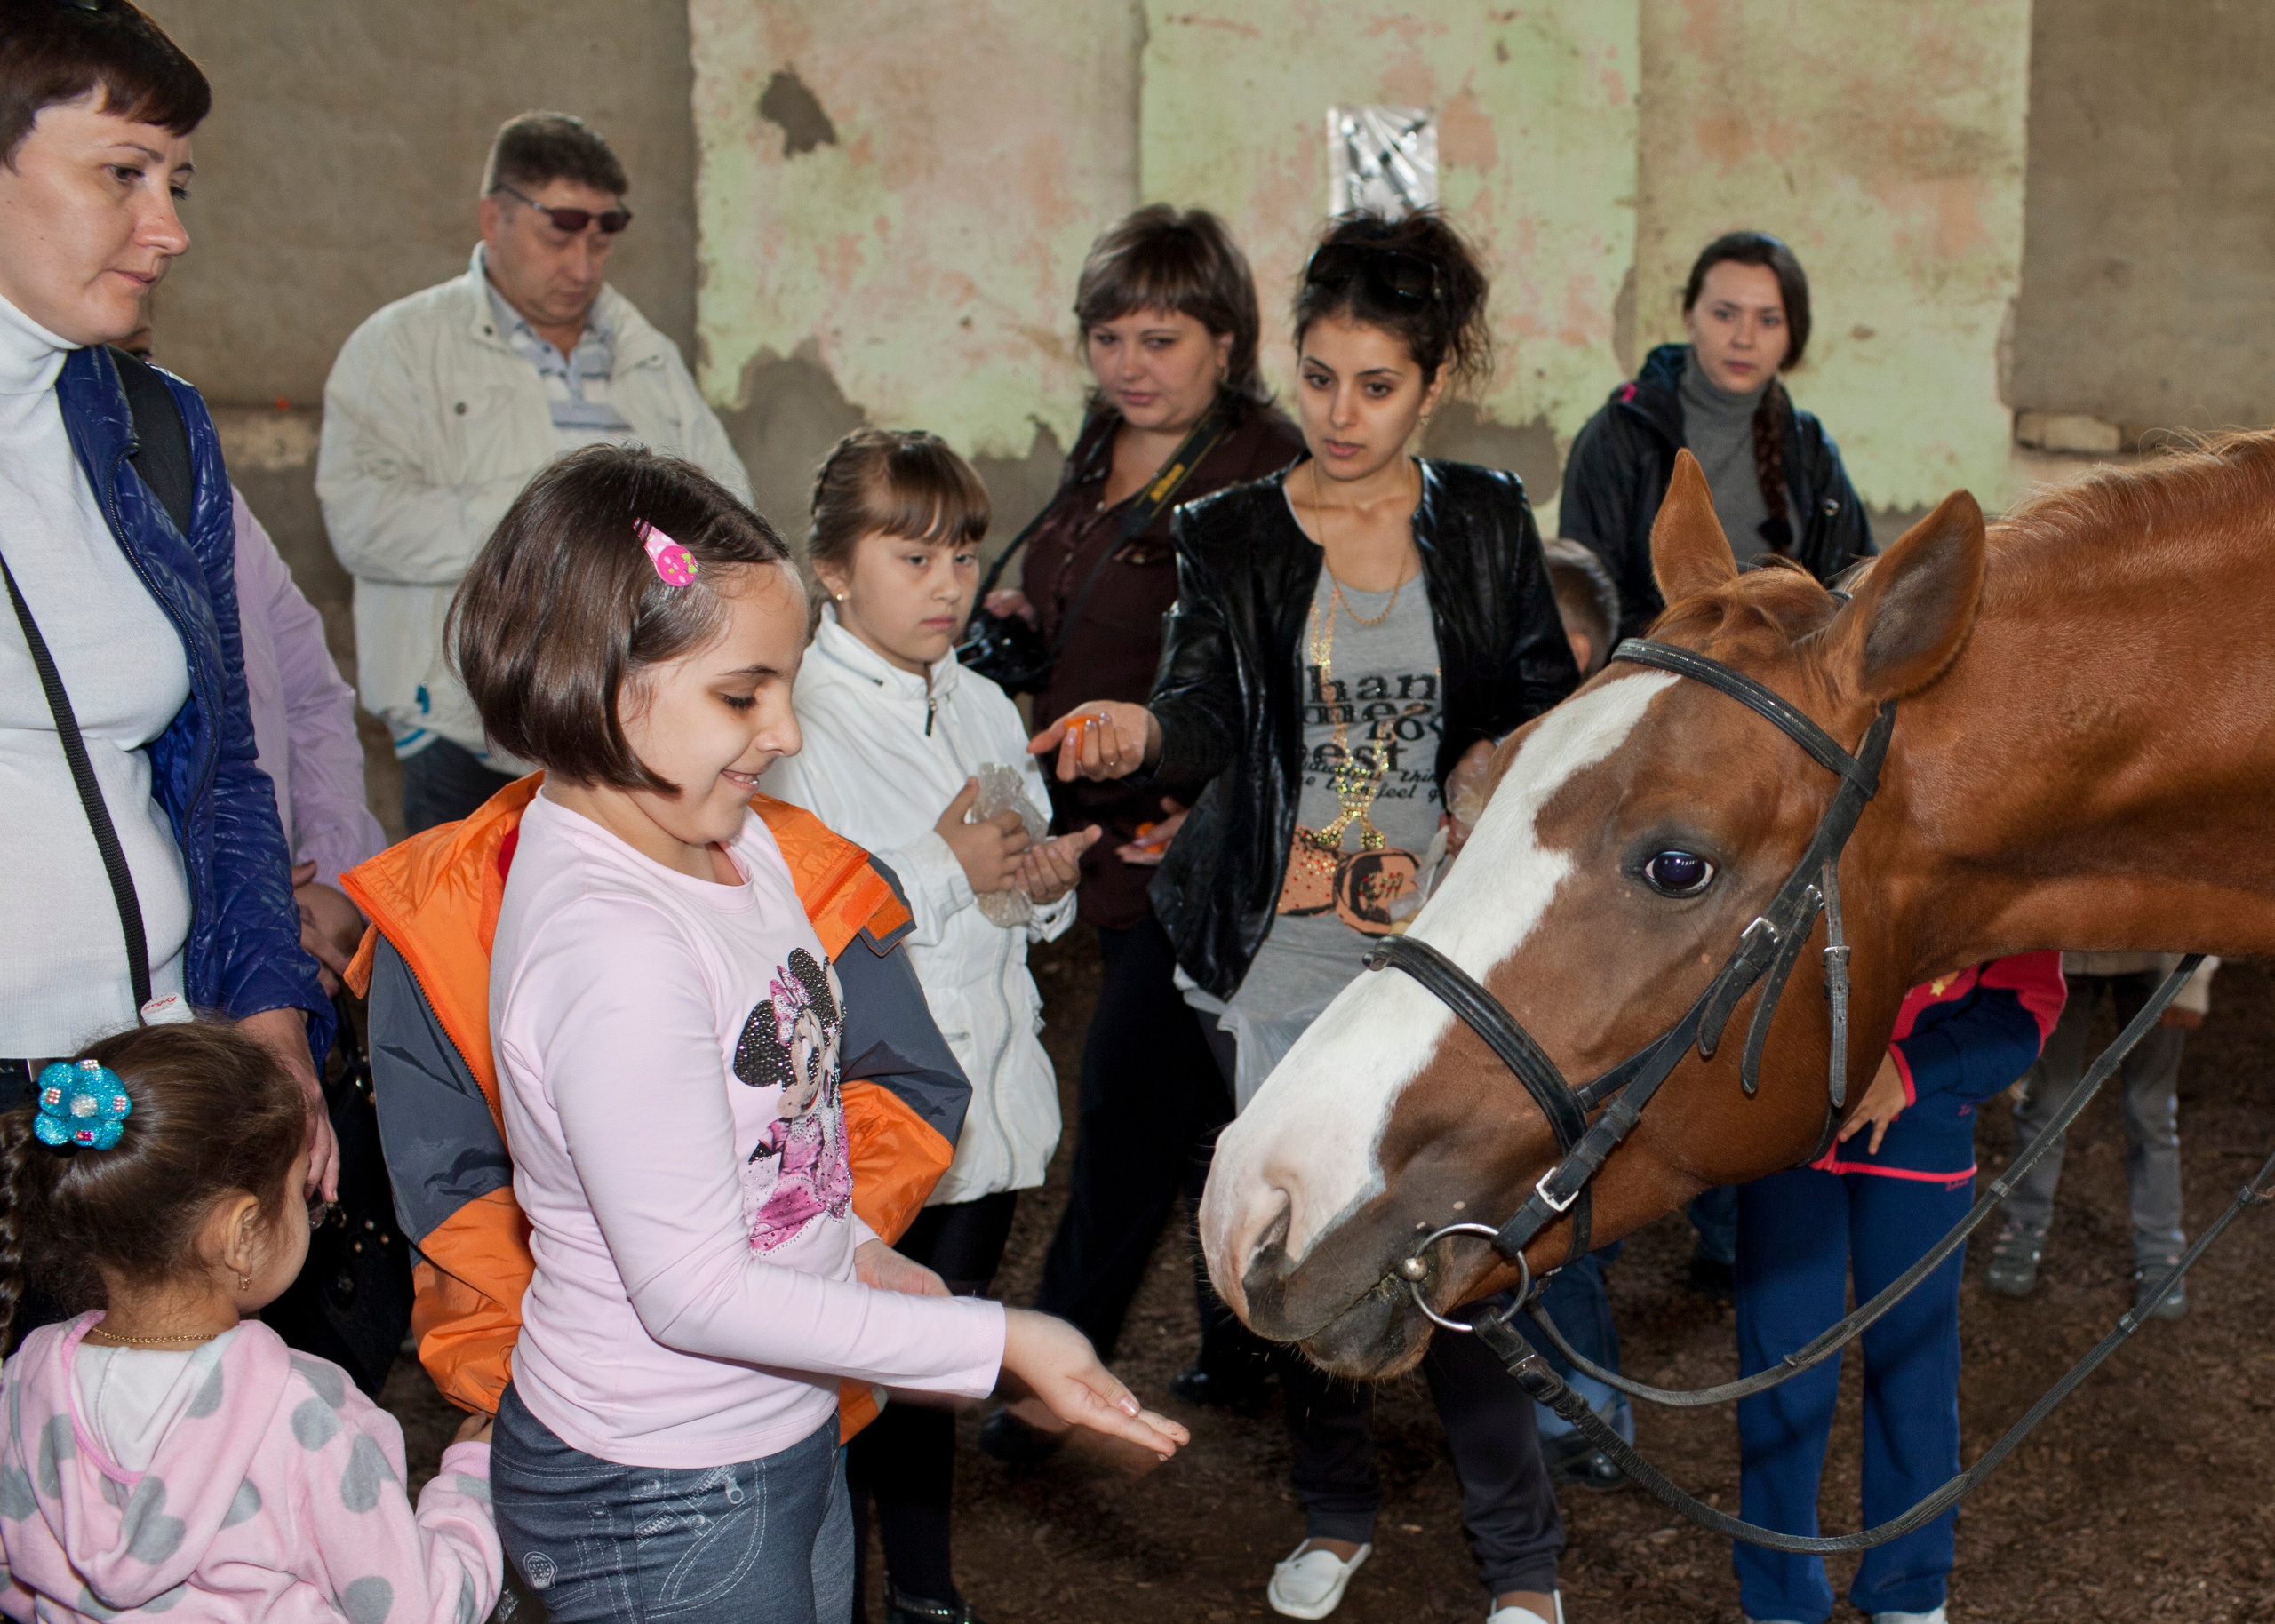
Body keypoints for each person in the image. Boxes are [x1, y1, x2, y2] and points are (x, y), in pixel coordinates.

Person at [437, 443, 1183, 1624]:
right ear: (598, 678)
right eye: (742, 695)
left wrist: (892, 1286)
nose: (783, 733)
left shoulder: (743, 846)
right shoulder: (611, 946)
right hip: (661, 1482)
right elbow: (690, 1293)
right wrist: (992, 1343)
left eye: (782, 685)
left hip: (775, 1428)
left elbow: (777, 1173)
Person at [1034, 208, 1577, 1624]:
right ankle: (1336, 1510)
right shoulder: (1232, 534)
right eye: (1321, 377)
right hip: (1284, 953)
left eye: (1376, 385)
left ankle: (1522, 1564)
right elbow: (1207, 713)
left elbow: (1534, 707)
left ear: (1433, 383)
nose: (1341, 415)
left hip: (1444, 954)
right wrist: (1132, 731)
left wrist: (1495, 756)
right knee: (1302, 1255)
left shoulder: (1487, 520)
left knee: (1450, 1259)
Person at [977, 205, 1305, 1457]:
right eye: (1107, 335)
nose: (1130, 363)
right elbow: (1094, 588)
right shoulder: (1103, 444)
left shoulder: (1265, 467)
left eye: (1160, 337)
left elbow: (1288, 672)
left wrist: (1218, 806)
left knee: (1120, 1117)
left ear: (1227, 340)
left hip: (1199, 858)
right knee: (1197, 1116)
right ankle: (1241, 1342)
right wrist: (1033, 606)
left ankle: (1042, 1389)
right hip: (1099, 842)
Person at [760, 430, 1101, 1624]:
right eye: (913, 557)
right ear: (835, 571)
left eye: (962, 554)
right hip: (876, 1106)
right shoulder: (792, 718)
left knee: (928, 1369)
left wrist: (1041, 884)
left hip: (991, 1093)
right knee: (867, 1374)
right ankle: (877, 1589)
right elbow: (801, 920)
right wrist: (946, 865)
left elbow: (1006, 903)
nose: (949, 584)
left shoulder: (987, 707)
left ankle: (916, 1588)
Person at [0, 0, 333, 1192]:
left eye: (176, 182)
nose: (169, 229)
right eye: (123, 174)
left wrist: (267, 1016)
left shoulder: (153, 425)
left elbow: (225, 762)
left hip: (138, 1082)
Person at [318, 110, 750, 835]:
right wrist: (560, 523)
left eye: (603, 236)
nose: (582, 267)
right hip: (461, 731)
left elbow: (726, 511)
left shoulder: (647, 356)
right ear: (494, 217)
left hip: (627, 733)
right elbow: (362, 520)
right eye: (560, 232)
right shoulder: (400, 348)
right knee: (468, 946)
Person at [0, 1021, 502, 1624]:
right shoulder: (300, 1412)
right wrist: (468, 1488)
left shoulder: (28, 1380)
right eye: (300, 1190)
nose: (312, 1206)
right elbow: (421, 1609)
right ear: (240, 1234)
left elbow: (17, 1581)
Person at [1734, 953, 2065, 1624]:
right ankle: (1778, 1600)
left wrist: (1908, 1072)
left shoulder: (1999, 849)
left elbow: (2026, 1009)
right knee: (1780, 1369)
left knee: (1916, 1371)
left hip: (1924, 1130)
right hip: (1790, 1123)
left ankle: (1909, 1592)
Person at [120, 314, 386, 991]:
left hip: (275, 926)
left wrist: (332, 884)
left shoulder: (211, 499)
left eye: (140, 363)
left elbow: (312, 699)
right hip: (146, 952)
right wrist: (240, 910)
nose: (125, 396)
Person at [1558, 230, 1872, 645]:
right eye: (1725, 314)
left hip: (1782, 695)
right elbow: (1591, 605)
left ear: (1792, 334)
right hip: (1651, 682)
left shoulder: (1808, 446)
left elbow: (1856, 589)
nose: (1744, 338)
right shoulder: (1622, 433)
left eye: (1768, 319)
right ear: (1690, 317)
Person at [1984, 952, 2217, 1318]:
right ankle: (2022, 1226)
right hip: (2064, 957)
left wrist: (2193, 978)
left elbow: (2205, 892)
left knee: (2150, 1110)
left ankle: (2160, 1247)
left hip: (2160, 955)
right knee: (2046, 1103)